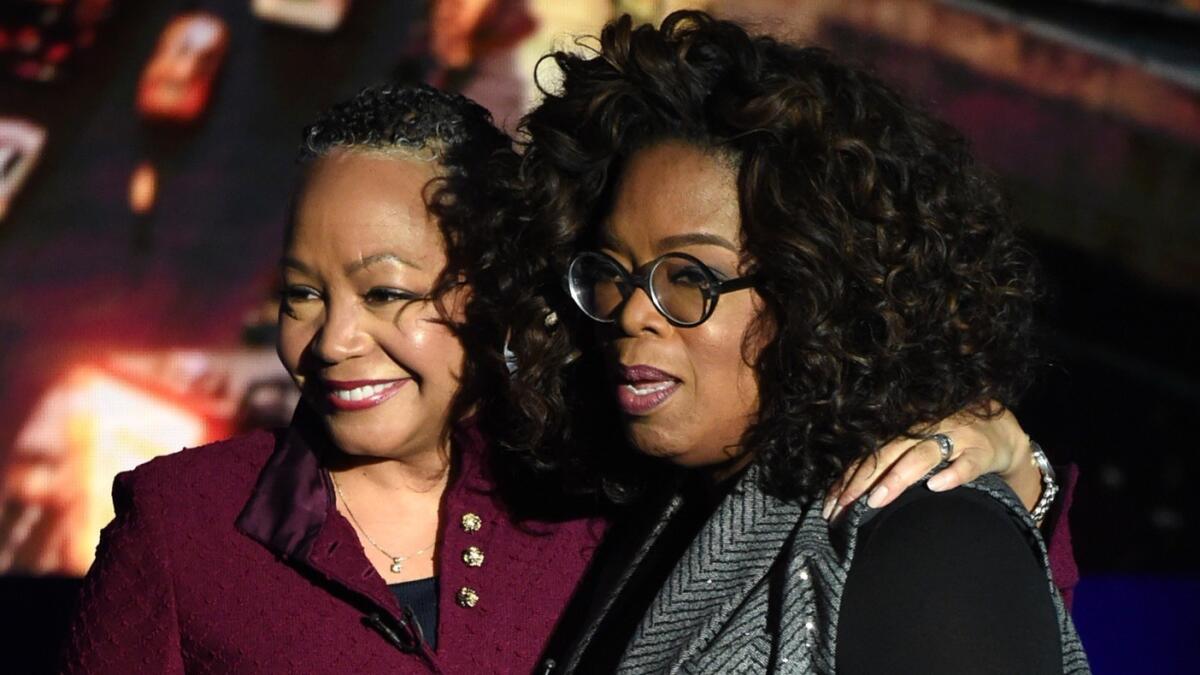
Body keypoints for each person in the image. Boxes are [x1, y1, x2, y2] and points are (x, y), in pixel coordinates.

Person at [61, 86, 1069, 673]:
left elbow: (989, 590)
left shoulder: (597, 483)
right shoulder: (182, 525)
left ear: (496, 291)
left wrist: (1004, 452)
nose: (334, 339)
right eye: (301, 293)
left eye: (389, 291)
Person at [501, 11, 1089, 673]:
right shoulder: (655, 511)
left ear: (816, 293)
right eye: (613, 271)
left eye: (691, 276)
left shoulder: (930, 537)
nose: (633, 311)